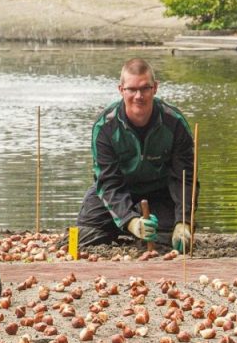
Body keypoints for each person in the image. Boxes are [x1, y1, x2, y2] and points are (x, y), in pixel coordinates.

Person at [75, 58, 198, 251]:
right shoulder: (105, 127)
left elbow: (185, 178)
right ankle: (127, 229)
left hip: (160, 192)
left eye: (145, 88)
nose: (138, 96)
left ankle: (154, 230)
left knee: (171, 243)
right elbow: (107, 182)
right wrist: (130, 221)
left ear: (155, 88)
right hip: (119, 189)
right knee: (84, 237)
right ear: (121, 90)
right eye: (131, 89)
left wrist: (184, 220)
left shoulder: (175, 123)